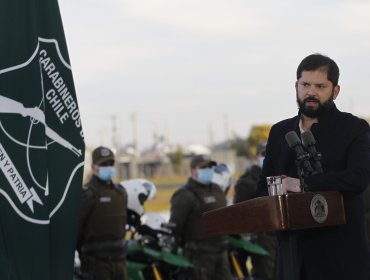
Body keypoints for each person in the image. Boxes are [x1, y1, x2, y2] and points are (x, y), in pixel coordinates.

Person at [257, 53, 370, 280]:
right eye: (305, 84)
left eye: (320, 86)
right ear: (296, 86)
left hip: (341, 256)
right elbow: (263, 187)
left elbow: (357, 178)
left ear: (335, 91)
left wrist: (304, 185)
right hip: (292, 256)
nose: (311, 92)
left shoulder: (354, 128)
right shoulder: (279, 131)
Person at [169, 155, 233, 280]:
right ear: (193, 170)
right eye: (204, 167)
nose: (209, 170)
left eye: (210, 167)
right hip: (199, 254)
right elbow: (175, 226)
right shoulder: (185, 194)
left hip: (221, 251)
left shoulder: (217, 190)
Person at [76, 146, 128, 280]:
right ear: (94, 167)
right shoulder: (87, 194)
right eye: (104, 164)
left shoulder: (120, 193)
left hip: (119, 262)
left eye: (111, 164)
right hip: (97, 264)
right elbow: (77, 230)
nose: (108, 167)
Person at [233, 142, 277, 280]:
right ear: (256, 157)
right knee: (265, 274)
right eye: (264, 154)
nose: (268, 157)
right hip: (261, 237)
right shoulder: (246, 182)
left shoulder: (280, 175)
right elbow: (239, 212)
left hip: (280, 234)